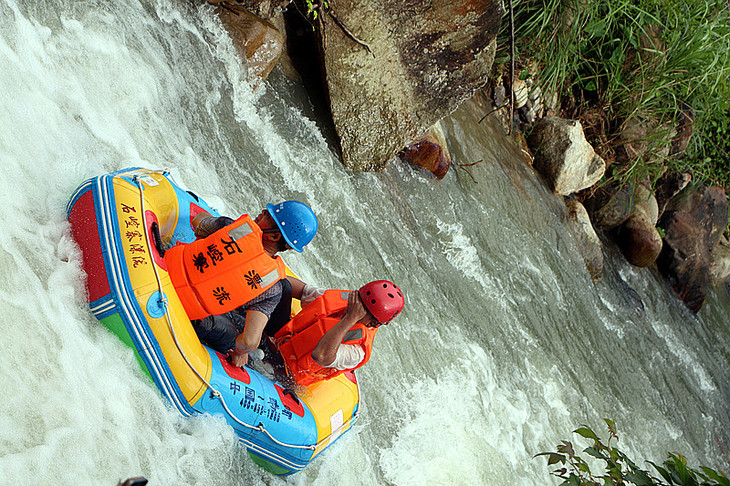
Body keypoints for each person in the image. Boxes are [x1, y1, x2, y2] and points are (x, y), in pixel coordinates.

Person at [166, 200, 318, 368]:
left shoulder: (230, 227)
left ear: (275, 236)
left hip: (164, 272)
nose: (262, 212)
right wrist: (240, 353)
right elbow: (249, 340)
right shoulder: (272, 287)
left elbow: (198, 221)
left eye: (268, 216)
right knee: (238, 334)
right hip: (188, 314)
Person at [272, 280, 404, 386]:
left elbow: (321, 356)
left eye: (361, 308)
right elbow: (303, 291)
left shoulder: (358, 351)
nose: (355, 305)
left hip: (286, 372)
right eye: (358, 299)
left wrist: (350, 318)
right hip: (280, 338)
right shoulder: (345, 300)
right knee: (283, 285)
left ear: (373, 323)